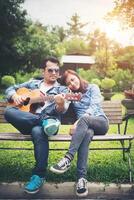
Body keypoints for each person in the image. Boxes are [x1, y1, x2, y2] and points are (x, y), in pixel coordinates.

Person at [4, 57, 70, 194]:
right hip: (32, 120)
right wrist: (15, 96)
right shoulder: (32, 84)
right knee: (9, 111)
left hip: (48, 126)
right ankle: (43, 120)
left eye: (57, 70)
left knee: (39, 132)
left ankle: (38, 176)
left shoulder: (62, 89)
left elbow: (62, 110)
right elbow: (10, 89)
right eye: (50, 70)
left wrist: (60, 103)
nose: (54, 73)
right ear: (43, 71)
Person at [50, 70, 109, 197]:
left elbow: (95, 105)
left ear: (77, 76)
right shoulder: (72, 95)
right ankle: (81, 180)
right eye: (68, 83)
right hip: (85, 128)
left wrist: (79, 121)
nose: (72, 83)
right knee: (86, 134)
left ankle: (68, 158)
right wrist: (64, 99)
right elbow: (63, 110)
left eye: (73, 79)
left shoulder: (93, 87)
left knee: (84, 120)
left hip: (101, 122)